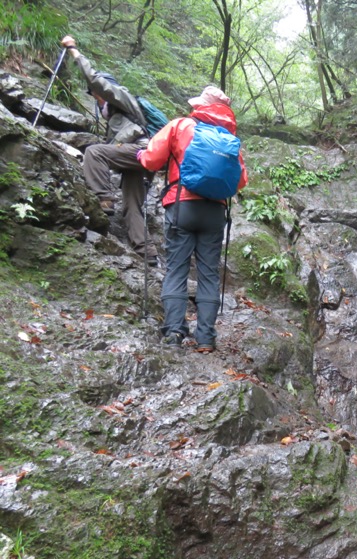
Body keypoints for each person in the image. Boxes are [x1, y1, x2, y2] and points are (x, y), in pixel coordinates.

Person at [137, 86, 248, 352]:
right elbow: (241, 181)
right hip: (214, 213)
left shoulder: (181, 126)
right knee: (209, 274)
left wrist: (139, 155)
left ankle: (174, 333)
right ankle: (206, 338)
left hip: (182, 205)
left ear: (201, 106)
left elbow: (152, 160)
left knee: (177, 269)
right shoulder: (229, 138)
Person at [60, 35, 158, 266]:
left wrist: (73, 49)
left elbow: (94, 80)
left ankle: (104, 199)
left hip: (139, 150)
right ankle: (147, 252)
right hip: (141, 157)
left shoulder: (121, 95)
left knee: (95, 152)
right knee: (132, 206)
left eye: (97, 95)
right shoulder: (117, 113)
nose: (96, 98)